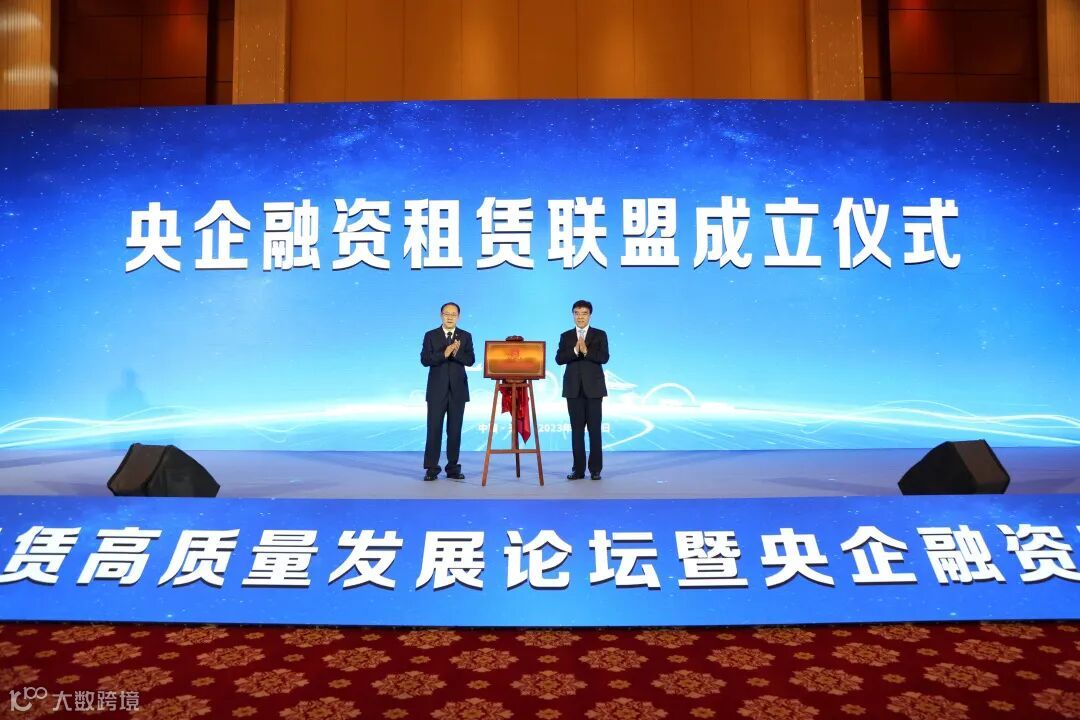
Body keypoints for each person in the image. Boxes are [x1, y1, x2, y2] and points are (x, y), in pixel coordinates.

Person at [421, 302, 475, 481]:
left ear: (458, 316)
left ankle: (453, 468)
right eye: (446, 314)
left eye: (453, 314)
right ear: (441, 315)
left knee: (455, 430)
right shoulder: (431, 335)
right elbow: (425, 360)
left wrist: (455, 353)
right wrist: (444, 354)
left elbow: (470, 360)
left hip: (458, 390)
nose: (450, 317)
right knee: (434, 429)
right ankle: (431, 469)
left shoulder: (465, 336)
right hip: (436, 391)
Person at [555, 299, 609, 480]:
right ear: (573, 315)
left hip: (594, 389)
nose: (580, 317)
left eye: (584, 313)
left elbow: (604, 357)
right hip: (573, 389)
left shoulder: (600, 334)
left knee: (595, 430)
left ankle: (595, 470)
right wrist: (574, 351)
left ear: (590, 315)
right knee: (577, 431)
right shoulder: (566, 336)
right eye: (577, 313)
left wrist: (586, 351)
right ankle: (578, 470)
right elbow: (559, 359)